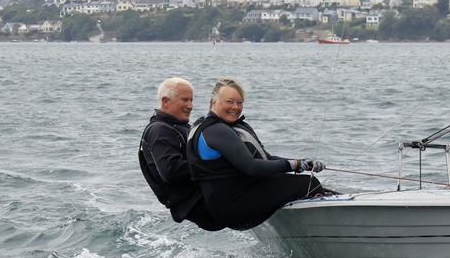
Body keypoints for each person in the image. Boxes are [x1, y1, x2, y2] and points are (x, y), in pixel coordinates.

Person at [187, 78, 328, 230]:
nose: (235, 107)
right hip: (232, 207)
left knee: (313, 186)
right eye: (229, 101)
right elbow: (251, 167)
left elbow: (266, 159)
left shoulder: (213, 126)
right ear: (214, 101)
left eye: (239, 103)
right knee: (309, 185)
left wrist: (302, 163)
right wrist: (294, 165)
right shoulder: (216, 130)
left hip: (229, 203)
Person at [139, 77, 224, 231]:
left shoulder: (180, 127)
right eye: (185, 100)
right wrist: (219, 165)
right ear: (165, 102)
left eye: (191, 100)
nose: (190, 106)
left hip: (207, 197)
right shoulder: (159, 130)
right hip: (199, 206)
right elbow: (171, 170)